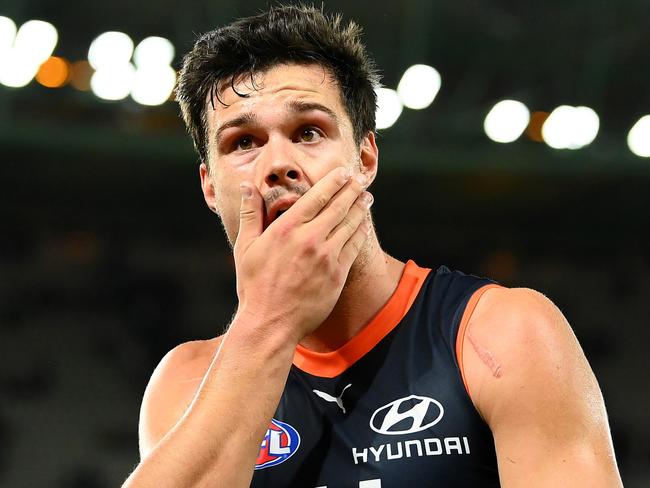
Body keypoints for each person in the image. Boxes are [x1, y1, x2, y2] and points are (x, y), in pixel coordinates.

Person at [122, 4, 622, 487]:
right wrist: (267, 321)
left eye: (309, 131)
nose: (277, 163)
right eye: (243, 143)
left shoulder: (505, 335)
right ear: (210, 187)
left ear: (365, 157)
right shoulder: (183, 386)